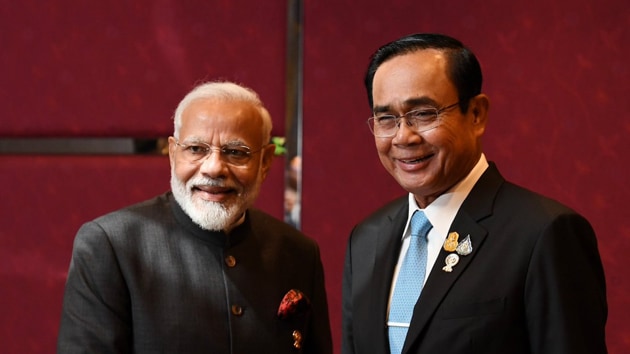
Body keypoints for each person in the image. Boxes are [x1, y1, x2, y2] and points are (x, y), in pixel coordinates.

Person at [342, 33, 607, 354]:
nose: (403, 137)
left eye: (424, 113)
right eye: (386, 119)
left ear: (477, 114)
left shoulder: (544, 233)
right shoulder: (367, 239)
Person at [57, 81, 333, 354]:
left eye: (236, 152)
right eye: (196, 149)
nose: (213, 168)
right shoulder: (110, 246)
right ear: (173, 153)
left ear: (265, 163)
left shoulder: (299, 253)